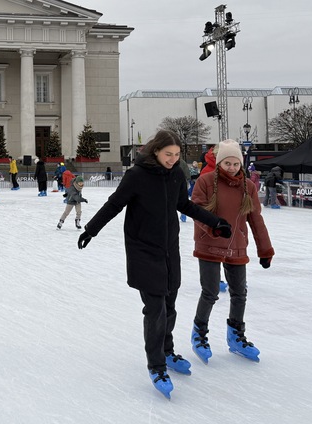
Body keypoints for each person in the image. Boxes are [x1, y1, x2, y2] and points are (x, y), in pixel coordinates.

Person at [77, 130, 231, 399]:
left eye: (177, 155)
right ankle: (157, 365)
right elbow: (115, 204)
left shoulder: (176, 174)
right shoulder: (136, 175)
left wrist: (214, 221)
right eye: (168, 154)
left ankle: (167, 351)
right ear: (156, 151)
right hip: (143, 250)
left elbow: (184, 205)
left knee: (169, 305)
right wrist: (91, 229)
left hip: (169, 249)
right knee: (156, 309)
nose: (173, 159)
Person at [190, 139, 275, 365]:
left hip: (236, 244)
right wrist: (213, 228)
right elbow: (196, 210)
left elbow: (256, 219)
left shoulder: (248, 186)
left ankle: (236, 336)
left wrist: (265, 249)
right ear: (219, 163)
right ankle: (199, 333)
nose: (232, 168)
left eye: (236, 163)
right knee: (210, 292)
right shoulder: (206, 181)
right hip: (209, 243)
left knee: (239, 293)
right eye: (227, 163)